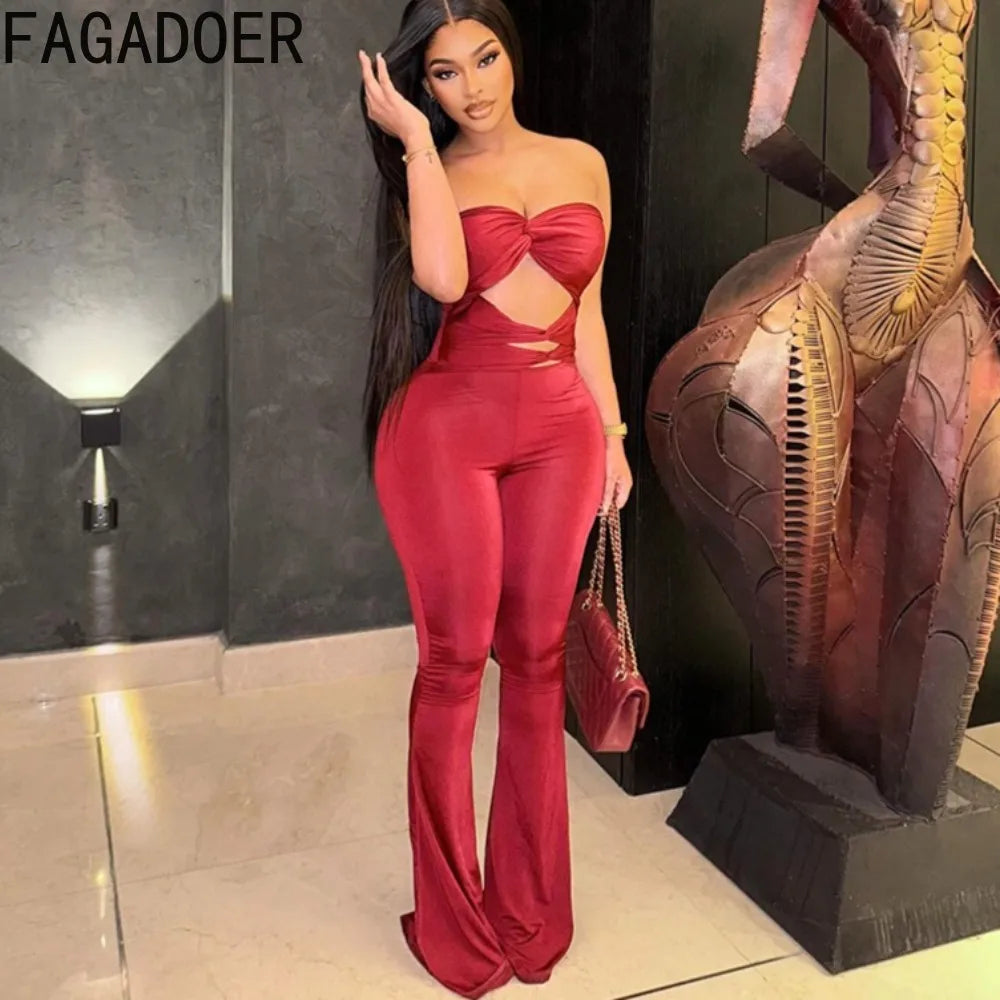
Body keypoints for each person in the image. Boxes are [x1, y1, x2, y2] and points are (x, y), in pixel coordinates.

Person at [357, 2, 632, 996]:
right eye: (443, 73)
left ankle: (530, 908)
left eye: (484, 59)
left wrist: (612, 432)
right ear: (420, 86)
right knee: (454, 666)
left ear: (512, 54)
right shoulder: (427, 172)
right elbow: (441, 277)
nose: (471, 86)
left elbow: (586, 309)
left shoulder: (582, 162)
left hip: (561, 429)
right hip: (447, 437)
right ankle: (453, 923)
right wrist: (413, 146)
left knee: (539, 662)